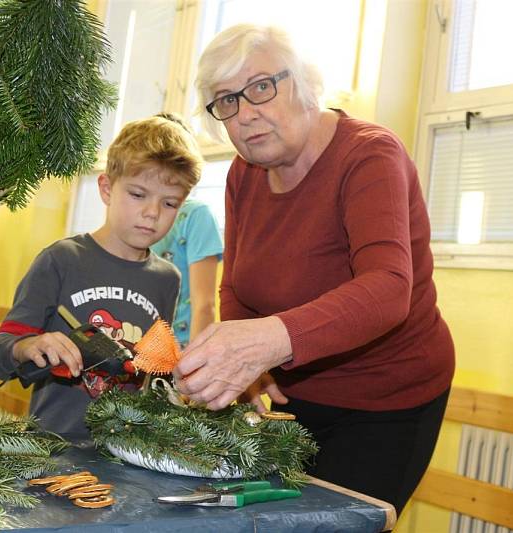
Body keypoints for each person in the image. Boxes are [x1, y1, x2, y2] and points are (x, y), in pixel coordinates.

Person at [172, 24, 455, 515]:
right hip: (292, 395)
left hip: (387, 401)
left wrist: (264, 344)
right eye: (226, 101)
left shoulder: (369, 154)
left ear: (303, 84)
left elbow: (388, 289)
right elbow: (237, 284)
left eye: (261, 87)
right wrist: (253, 367)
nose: (246, 114)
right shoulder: (245, 173)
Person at [0, 116, 203, 438]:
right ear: (107, 188)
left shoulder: (167, 279)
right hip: (51, 448)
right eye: (138, 194)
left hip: (127, 453)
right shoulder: (61, 260)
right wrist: (29, 346)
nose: (152, 213)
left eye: (169, 203)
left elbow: (158, 373)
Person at [151, 114, 223, 348]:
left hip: (179, 351)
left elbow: (204, 304)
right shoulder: (137, 213)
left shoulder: (196, 215)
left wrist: (193, 365)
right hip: (137, 348)